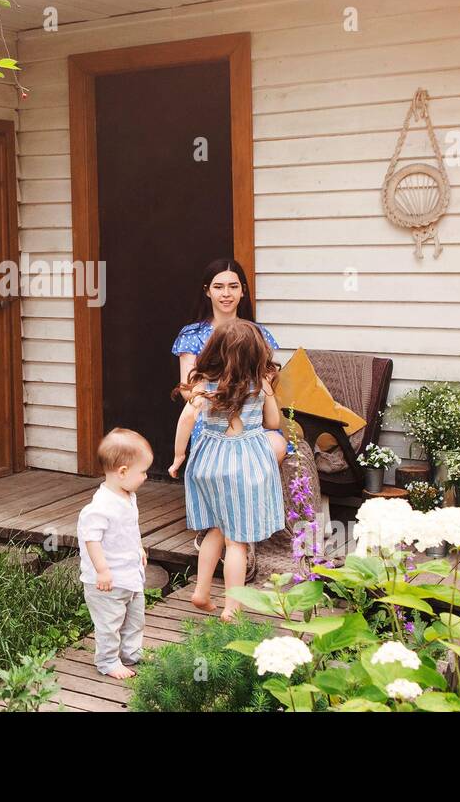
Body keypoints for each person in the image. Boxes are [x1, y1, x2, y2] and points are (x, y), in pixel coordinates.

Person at [169, 319, 284, 621]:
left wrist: (179, 456)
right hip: (242, 467)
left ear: (214, 351)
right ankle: (232, 607)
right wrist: (266, 396)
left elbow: (185, 421)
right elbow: (273, 424)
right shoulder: (260, 386)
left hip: (208, 464)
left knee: (216, 530)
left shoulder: (203, 386)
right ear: (256, 354)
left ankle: (202, 591)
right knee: (237, 542)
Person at [171, 258, 288, 465]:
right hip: (210, 417)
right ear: (207, 291)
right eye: (218, 287)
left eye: (233, 286)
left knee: (277, 444)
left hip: (252, 415)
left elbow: (267, 382)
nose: (226, 293)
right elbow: (186, 388)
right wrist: (219, 399)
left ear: (242, 291)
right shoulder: (192, 334)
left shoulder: (257, 334)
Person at [77, 427, 150, 679]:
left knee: (134, 617)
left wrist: (138, 547)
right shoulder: (99, 507)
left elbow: (130, 528)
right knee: (109, 624)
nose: (146, 476)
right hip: (106, 582)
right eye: (142, 472)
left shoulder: (128, 497)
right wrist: (102, 570)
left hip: (130, 575)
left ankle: (131, 652)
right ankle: (108, 661)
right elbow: (91, 539)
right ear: (122, 472)